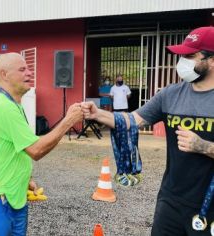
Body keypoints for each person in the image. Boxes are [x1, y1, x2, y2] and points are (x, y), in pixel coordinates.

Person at [81, 26, 214, 235]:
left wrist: (204, 146)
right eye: (182, 55)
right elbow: (132, 120)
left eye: (190, 56)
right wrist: (97, 114)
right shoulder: (170, 94)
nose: (182, 62)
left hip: (209, 204)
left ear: (212, 60)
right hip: (171, 200)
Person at [0, 52, 83, 236]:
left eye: (29, 69)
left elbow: (16, 148)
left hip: (14, 197)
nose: (30, 73)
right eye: (22, 69)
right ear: (4, 74)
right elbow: (36, 150)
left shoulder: (14, 105)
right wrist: (69, 121)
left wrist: (24, 179)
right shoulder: (3, 107)